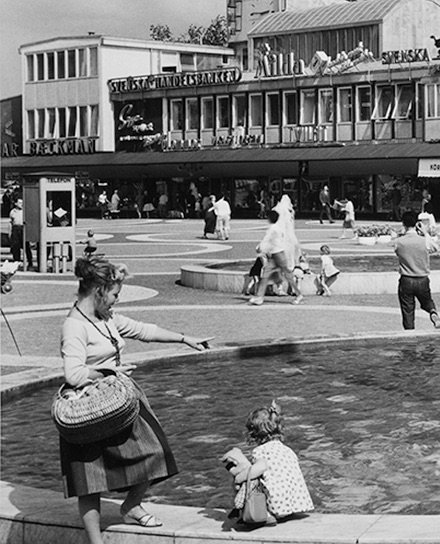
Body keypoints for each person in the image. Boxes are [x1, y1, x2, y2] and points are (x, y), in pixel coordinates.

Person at [61, 254, 211, 541]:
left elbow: (144, 330)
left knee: (157, 452)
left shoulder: (106, 317)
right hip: (87, 409)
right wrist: (109, 370)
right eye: (115, 293)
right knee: (89, 481)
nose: (117, 299)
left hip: (119, 401)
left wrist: (185, 338)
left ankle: (131, 505)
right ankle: (95, 541)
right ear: (99, 290)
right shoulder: (74, 326)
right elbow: (74, 374)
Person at [222, 401, 314, 525]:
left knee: (250, 477)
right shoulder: (288, 450)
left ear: (253, 434)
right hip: (296, 505)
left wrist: (238, 478)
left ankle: (264, 514)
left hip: (278, 507)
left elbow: (260, 468)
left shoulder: (261, 451)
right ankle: (283, 512)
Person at [394, 211, 440, 329]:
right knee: (427, 301)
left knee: (408, 311)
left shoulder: (399, 242)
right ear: (416, 223)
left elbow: (397, 252)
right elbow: (435, 248)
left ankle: (410, 334)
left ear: (403, 224)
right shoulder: (424, 241)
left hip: (406, 279)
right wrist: (425, 233)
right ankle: (432, 312)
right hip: (422, 278)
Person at [248, 210, 303, 306]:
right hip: (275, 255)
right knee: (266, 275)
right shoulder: (278, 228)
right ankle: (259, 297)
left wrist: (260, 248)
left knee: (286, 275)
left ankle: (298, 294)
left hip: (278, 254)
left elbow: (267, 240)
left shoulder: (273, 229)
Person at [9, 197, 26, 269]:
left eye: (22, 203)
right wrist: (9, 232)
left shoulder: (25, 211)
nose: (21, 204)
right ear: (15, 204)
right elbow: (10, 222)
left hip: (23, 227)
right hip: (15, 228)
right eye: (19, 203)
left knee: (26, 245)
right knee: (16, 245)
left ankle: (29, 260)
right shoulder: (13, 212)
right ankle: (17, 260)